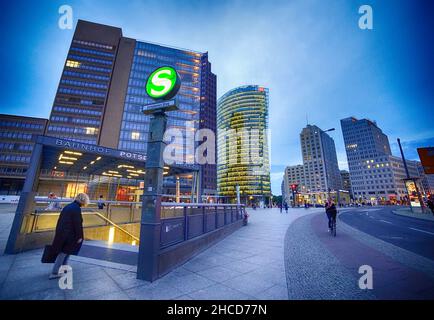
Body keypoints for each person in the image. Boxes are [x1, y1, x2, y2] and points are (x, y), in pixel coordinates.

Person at [48, 193, 89, 280]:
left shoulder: (69, 206)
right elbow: (77, 224)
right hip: (69, 234)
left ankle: (64, 268)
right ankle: (55, 272)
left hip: (63, 233)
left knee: (66, 251)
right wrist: (79, 236)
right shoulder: (76, 209)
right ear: (83, 200)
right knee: (64, 252)